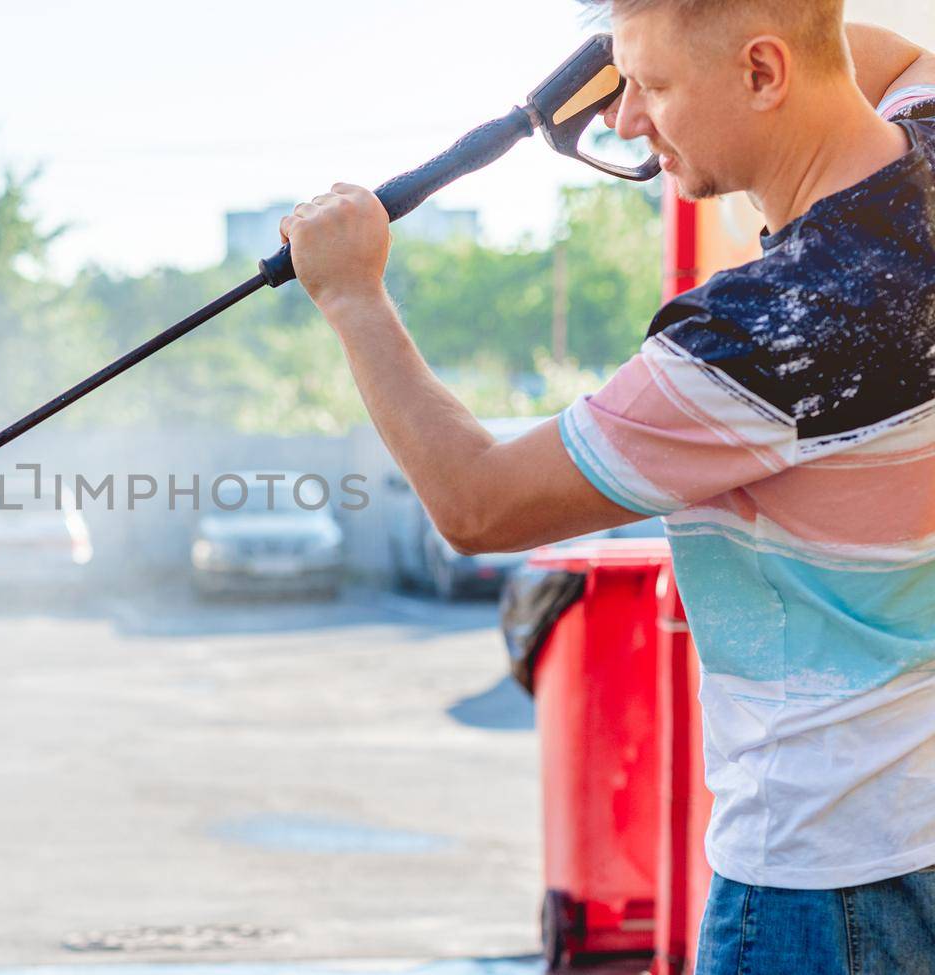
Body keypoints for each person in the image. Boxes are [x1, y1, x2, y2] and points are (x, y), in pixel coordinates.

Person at [278, 2, 935, 972]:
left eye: (653, 90)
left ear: (762, 74)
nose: (626, 120)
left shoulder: (757, 340)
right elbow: (874, 54)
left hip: (819, 886)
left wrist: (352, 296)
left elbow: (478, 501)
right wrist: (640, 49)